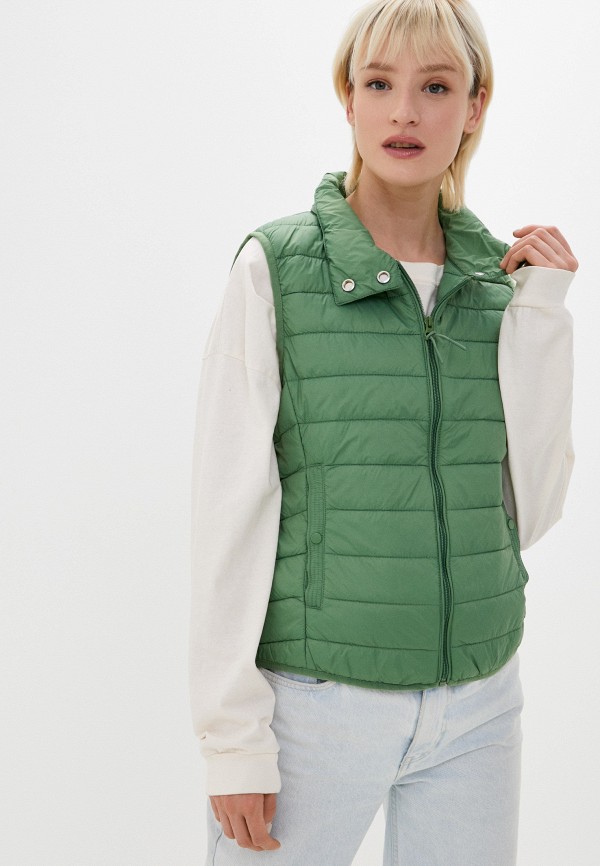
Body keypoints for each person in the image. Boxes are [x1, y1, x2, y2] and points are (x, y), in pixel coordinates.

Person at [188, 1, 577, 863]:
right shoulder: (275, 269)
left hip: (479, 707)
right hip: (315, 708)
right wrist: (232, 740)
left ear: (474, 106)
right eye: (378, 83)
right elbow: (227, 512)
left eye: (435, 87)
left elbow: (532, 512)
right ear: (348, 98)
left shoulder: (497, 285)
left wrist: (544, 315)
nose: (404, 111)